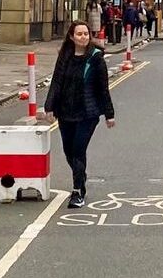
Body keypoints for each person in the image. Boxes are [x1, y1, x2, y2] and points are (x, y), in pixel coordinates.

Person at [43, 20, 115, 208]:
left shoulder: (95, 57)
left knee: (78, 150)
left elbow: (103, 88)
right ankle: (80, 176)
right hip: (66, 111)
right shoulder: (65, 55)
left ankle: (77, 191)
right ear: (71, 37)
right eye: (79, 34)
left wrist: (109, 114)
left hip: (87, 113)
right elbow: (57, 81)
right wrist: (49, 106)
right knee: (68, 151)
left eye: (86, 34)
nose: (83, 37)